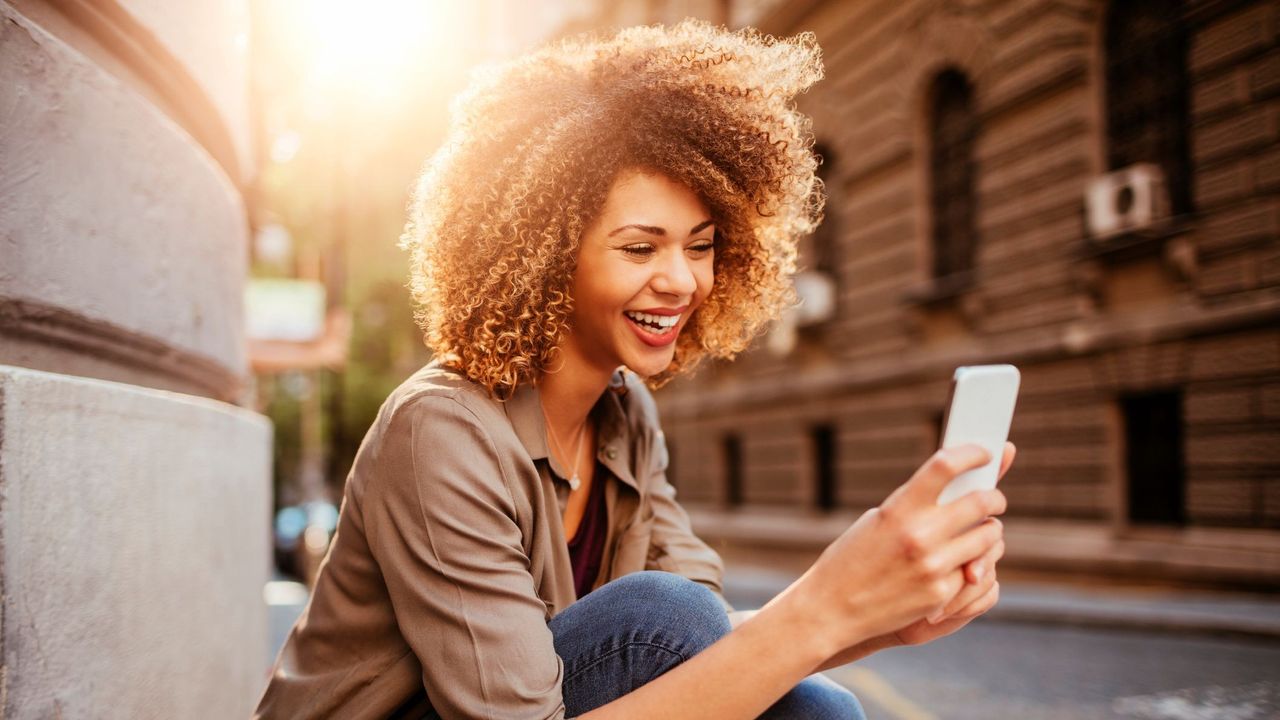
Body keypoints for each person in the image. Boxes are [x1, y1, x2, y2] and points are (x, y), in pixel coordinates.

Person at [254, 19, 1013, 720]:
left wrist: (879, 620)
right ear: (546, 256)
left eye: (702, 244)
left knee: (817, 707)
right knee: (665, 614)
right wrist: (825, 608)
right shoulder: (440, 433)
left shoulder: (624, 420)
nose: (682, 280)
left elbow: (708, 655)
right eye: (641, 247)